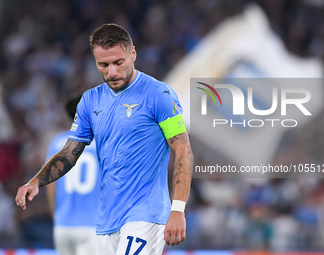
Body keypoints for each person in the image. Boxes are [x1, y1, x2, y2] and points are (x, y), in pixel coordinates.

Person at [16, 23, 192, 255]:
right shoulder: (90, 101)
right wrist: (36, 181)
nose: (112, 72)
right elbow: (70, 152)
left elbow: (182, 149)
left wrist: (178, 209)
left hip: (146, 216)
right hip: (105, 221)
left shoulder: (159, 94)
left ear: (133, 54)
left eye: (118, 63)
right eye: (103, 65)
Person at [45, 95, 100, 255]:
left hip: (63, 226)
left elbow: (50, 185)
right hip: (92, 225)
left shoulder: (57, 143)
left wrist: (56, 216)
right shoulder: (103, 143)